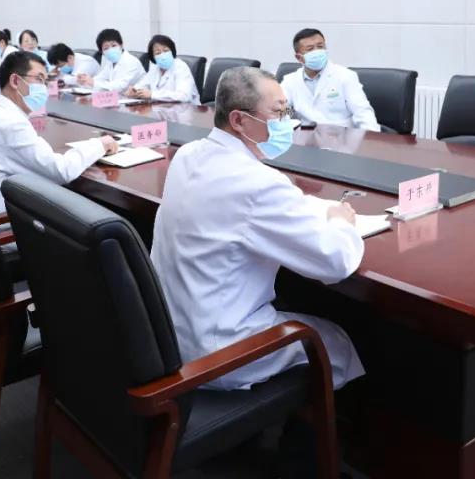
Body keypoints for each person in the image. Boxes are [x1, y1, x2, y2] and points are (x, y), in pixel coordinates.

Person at [151, 66, 364, 390]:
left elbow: (253, 209)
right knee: (336, 342)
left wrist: (307, 206)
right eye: (278, 113)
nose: (286, 123)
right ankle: (324, 421)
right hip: (221, 354)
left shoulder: (188, 154)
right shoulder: (258, 183)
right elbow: (335, 262)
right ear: (239, 120)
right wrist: (340, 222)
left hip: (168, 336)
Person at [0, 52, 118, 216]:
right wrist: (100, 144)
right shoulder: (10, 123)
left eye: (45, 81)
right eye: (39, 79)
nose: (44, 88)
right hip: (0, 222)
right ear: (15, 81)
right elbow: (61, 171)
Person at [280, 28, 379, 132]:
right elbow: (283, 112)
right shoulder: (290, 81)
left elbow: (362, 113)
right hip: (306, 137)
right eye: (310, 49)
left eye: (320, 46)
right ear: (299, 58)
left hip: (342, 137)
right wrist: (282, 120)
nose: (317, 51)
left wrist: (371, 138)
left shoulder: (345, 76)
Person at [127, 34, 199, 104]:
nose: (163, 55)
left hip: (187, 109)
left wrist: (152, 94)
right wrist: (135, 91)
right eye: (158, 53)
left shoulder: (180, 67)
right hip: (162, 108)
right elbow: (144, 84)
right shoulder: (155, 68)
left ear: (172, 51)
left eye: (166, 50)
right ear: (153, 57)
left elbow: (183, 96)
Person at [78, 28, 144, 92]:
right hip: (119, 97)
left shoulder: (131, 61)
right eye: (106, 48)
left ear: (121, 45)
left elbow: (120, 86)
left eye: (114, 45)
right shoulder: (110, 62)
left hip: (138, 98)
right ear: (102, 52)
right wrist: (85, 80)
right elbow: (100, 78)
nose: (111, 50)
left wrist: (93, 83)